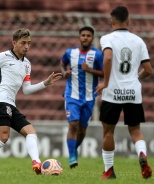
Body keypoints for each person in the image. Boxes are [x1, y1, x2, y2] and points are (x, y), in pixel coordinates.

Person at [0, 28, 62, 175]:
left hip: (11, 103)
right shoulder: (3, 56)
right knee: (3, 137)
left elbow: (27, 89)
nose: (26, 46)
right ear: (14, 43)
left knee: (31, 132)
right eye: (23, 43)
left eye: (29, 43)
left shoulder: (27, 64)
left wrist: (45, 83)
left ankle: (36, 163)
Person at [95, 6, 153, 179]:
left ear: (112, 22)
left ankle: (109, 170)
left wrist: (105, 82)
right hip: (133, 93)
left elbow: (107, 58)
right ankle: (142, 154)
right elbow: (149, 70)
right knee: (135, 131)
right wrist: (137, 77)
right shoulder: (139, 41)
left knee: (108, 132)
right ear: (128, 21)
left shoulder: (107, 38)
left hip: (112, 92)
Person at [60, 26, 104, 168]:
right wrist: (64, 73)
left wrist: (90, 70)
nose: (85, 37)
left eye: (88, 35)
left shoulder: (97, 55)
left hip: (89, 97)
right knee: (73, 124)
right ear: (79, 37)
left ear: (92, 38)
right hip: (71, 96)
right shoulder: (70, 53)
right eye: (83, 35)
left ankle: (74, 149)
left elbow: (104, 73)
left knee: (82, 130)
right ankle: (72, 156)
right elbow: (62, 64)